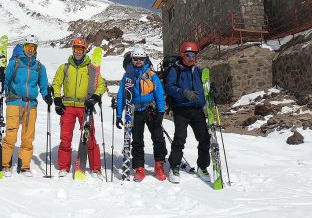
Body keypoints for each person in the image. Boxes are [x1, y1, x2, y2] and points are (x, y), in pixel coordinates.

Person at [0, 34, 51, 177]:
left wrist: (46, 96)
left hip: (31, 104)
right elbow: (5, 81)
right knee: (11, 134)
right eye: (28, 47)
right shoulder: (15, 63)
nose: (30, 50)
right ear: (23, 48)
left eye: (33, 47)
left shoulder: (39, 67)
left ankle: (24, 165)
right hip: (15, 102)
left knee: (28, 137)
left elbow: (43, 85)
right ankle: (5, 164)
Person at [51, 37, 107, 179]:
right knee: (65, 138)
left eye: (81, 49)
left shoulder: (91, 68)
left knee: (90, 138)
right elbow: (56, 84)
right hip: (68, 107)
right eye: (76, 49)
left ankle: (95, 168)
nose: (78, 52)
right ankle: (64, 167)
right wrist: (57, 99)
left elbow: (101, 85)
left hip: (85, 107)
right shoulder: (64, 67)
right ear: (73, 50)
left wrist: (94, 97)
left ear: (84, 50)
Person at [116, 46, 167, 181]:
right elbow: (121, 95)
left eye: (141, 59)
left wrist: (161, 111)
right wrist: (118, 115)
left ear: (145, 59)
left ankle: (159, 165)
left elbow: (159, 93)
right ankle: (139, 168)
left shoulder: (150, 74)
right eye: (136, 59)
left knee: (158, 138)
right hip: (134, 111)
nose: (138, 61)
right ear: (132, 59)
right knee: (137, 141)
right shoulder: (127, 75)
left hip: (150, 109)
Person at [164, 41, 211, 184]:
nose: (191, 58)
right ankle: (174, 166)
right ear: (183, 55)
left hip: (197, 110)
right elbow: (169, 87)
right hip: (181, 109)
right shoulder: (175, 69)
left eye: (194, 55)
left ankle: (202, 167)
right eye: (189, 55)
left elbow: (205, 87)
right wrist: (184, 93)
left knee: (204, 139)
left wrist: (212, 89)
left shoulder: (198, 71)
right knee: (180, 138)